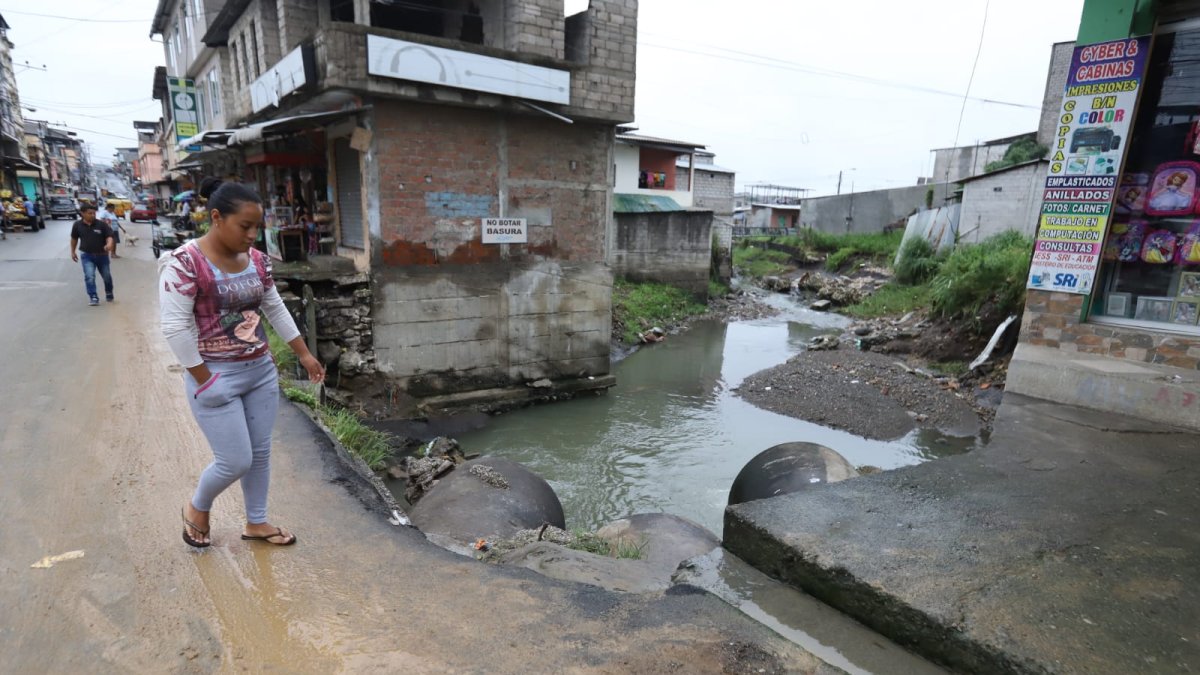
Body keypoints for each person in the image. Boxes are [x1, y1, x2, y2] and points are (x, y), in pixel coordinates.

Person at [159, 177, 325, 549]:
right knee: (235, 460)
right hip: (215, 376)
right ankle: (197, 507)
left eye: (257, 227)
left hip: (260, 372)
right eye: (244, 226)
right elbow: (173, 327)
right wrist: (204, 380)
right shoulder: (185, 263)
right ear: (216, 217)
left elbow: (274, 307)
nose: (252, 235)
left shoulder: (257, 261)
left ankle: (257, 522)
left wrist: (303, 352)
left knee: (261, 452)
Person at [69, 204, 115, 306]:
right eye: (90, 213)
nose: (93, 215)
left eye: (94, 213)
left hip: (102, 255)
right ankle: (93, 296)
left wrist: (109, 244)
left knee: (107, 276)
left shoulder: (101, 225)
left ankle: (109, 292)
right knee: (89, 276)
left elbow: (109, 236)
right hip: (87, 255)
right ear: (82, 213)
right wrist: (72, 251)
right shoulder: (77, 225)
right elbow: (74, 238)